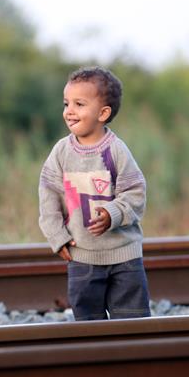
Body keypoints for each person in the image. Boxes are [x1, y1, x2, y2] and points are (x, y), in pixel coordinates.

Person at [38, 66, 151, 320]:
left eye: (79, 104)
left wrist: (112, 213)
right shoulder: (61, 152)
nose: (69, 111)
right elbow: (48, 197)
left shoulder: (116, 151)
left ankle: (131, 358)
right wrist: (57, 235)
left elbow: (135, 193)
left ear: (103, 113)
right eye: (67, 103)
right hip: (82, 257)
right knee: (88, 326)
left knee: (133, 322)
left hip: (125, 257)